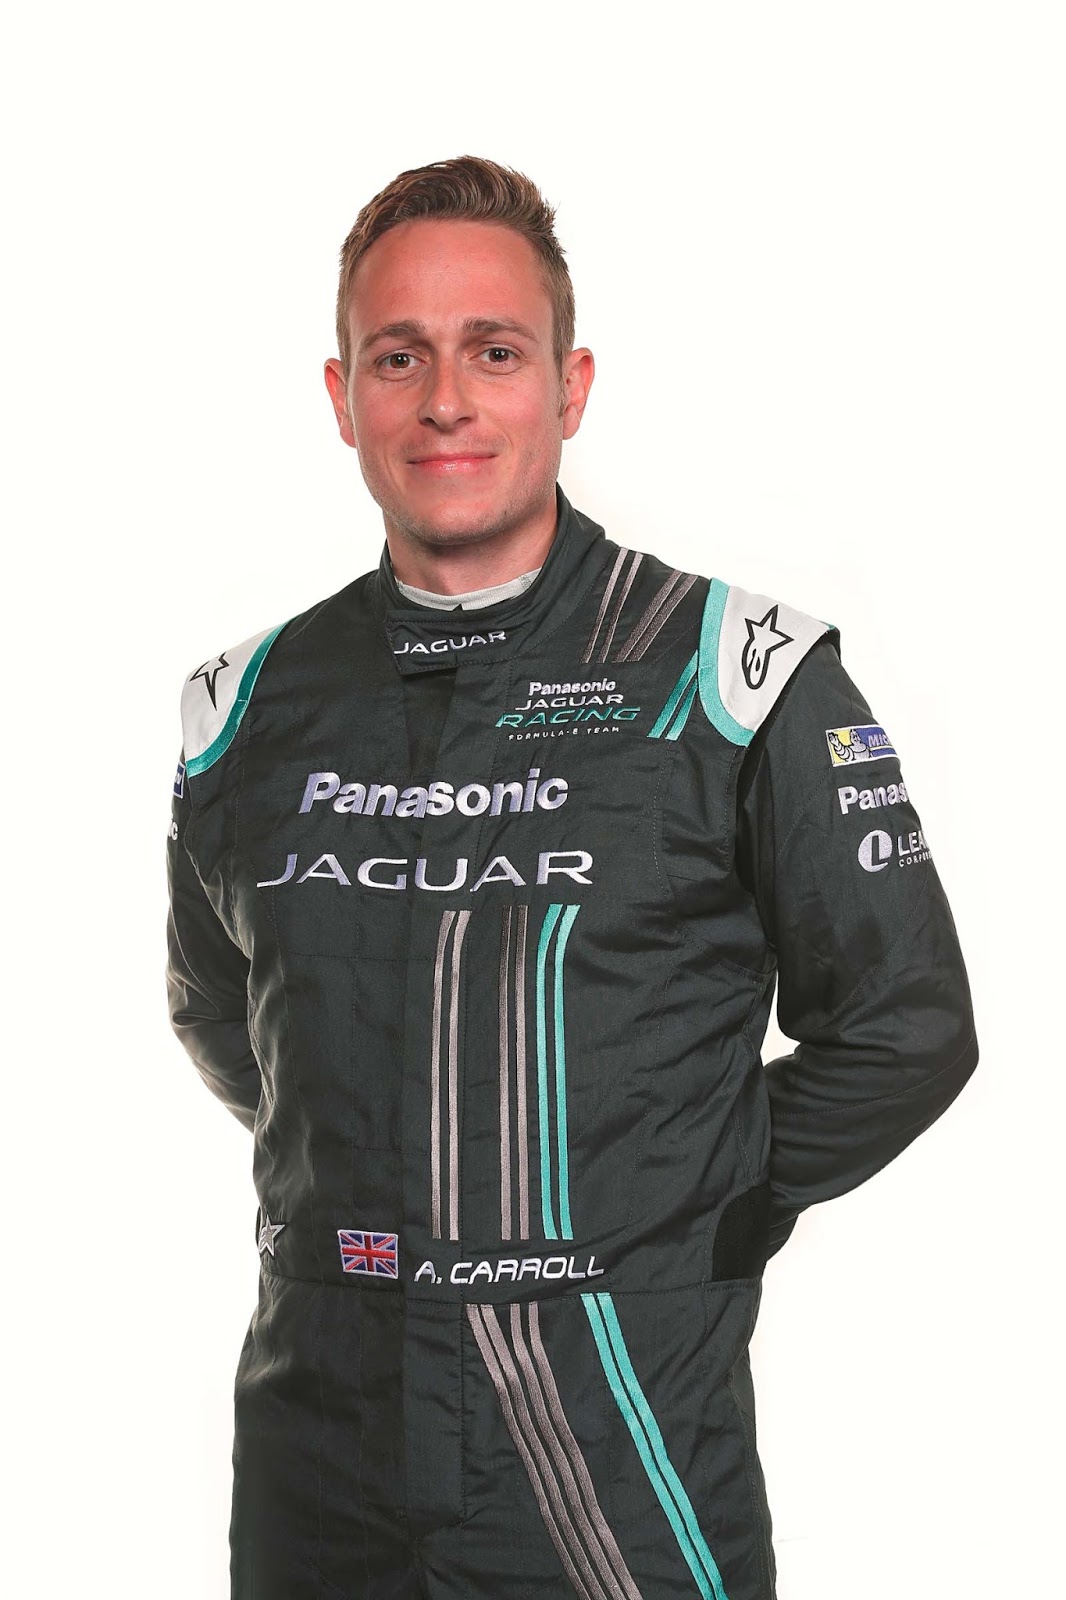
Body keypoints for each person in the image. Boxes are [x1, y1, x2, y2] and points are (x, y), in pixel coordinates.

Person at [166, 155, 978, 1600]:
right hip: (316, 1439)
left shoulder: (736, 676)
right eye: (398, 357)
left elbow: (905, 1027)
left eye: (494, 352)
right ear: (342, 396)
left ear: (570, 386)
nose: (446, 400)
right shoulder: (245, 705)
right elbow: (228, 1015)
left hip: (612, 1433)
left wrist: (689, 1202)